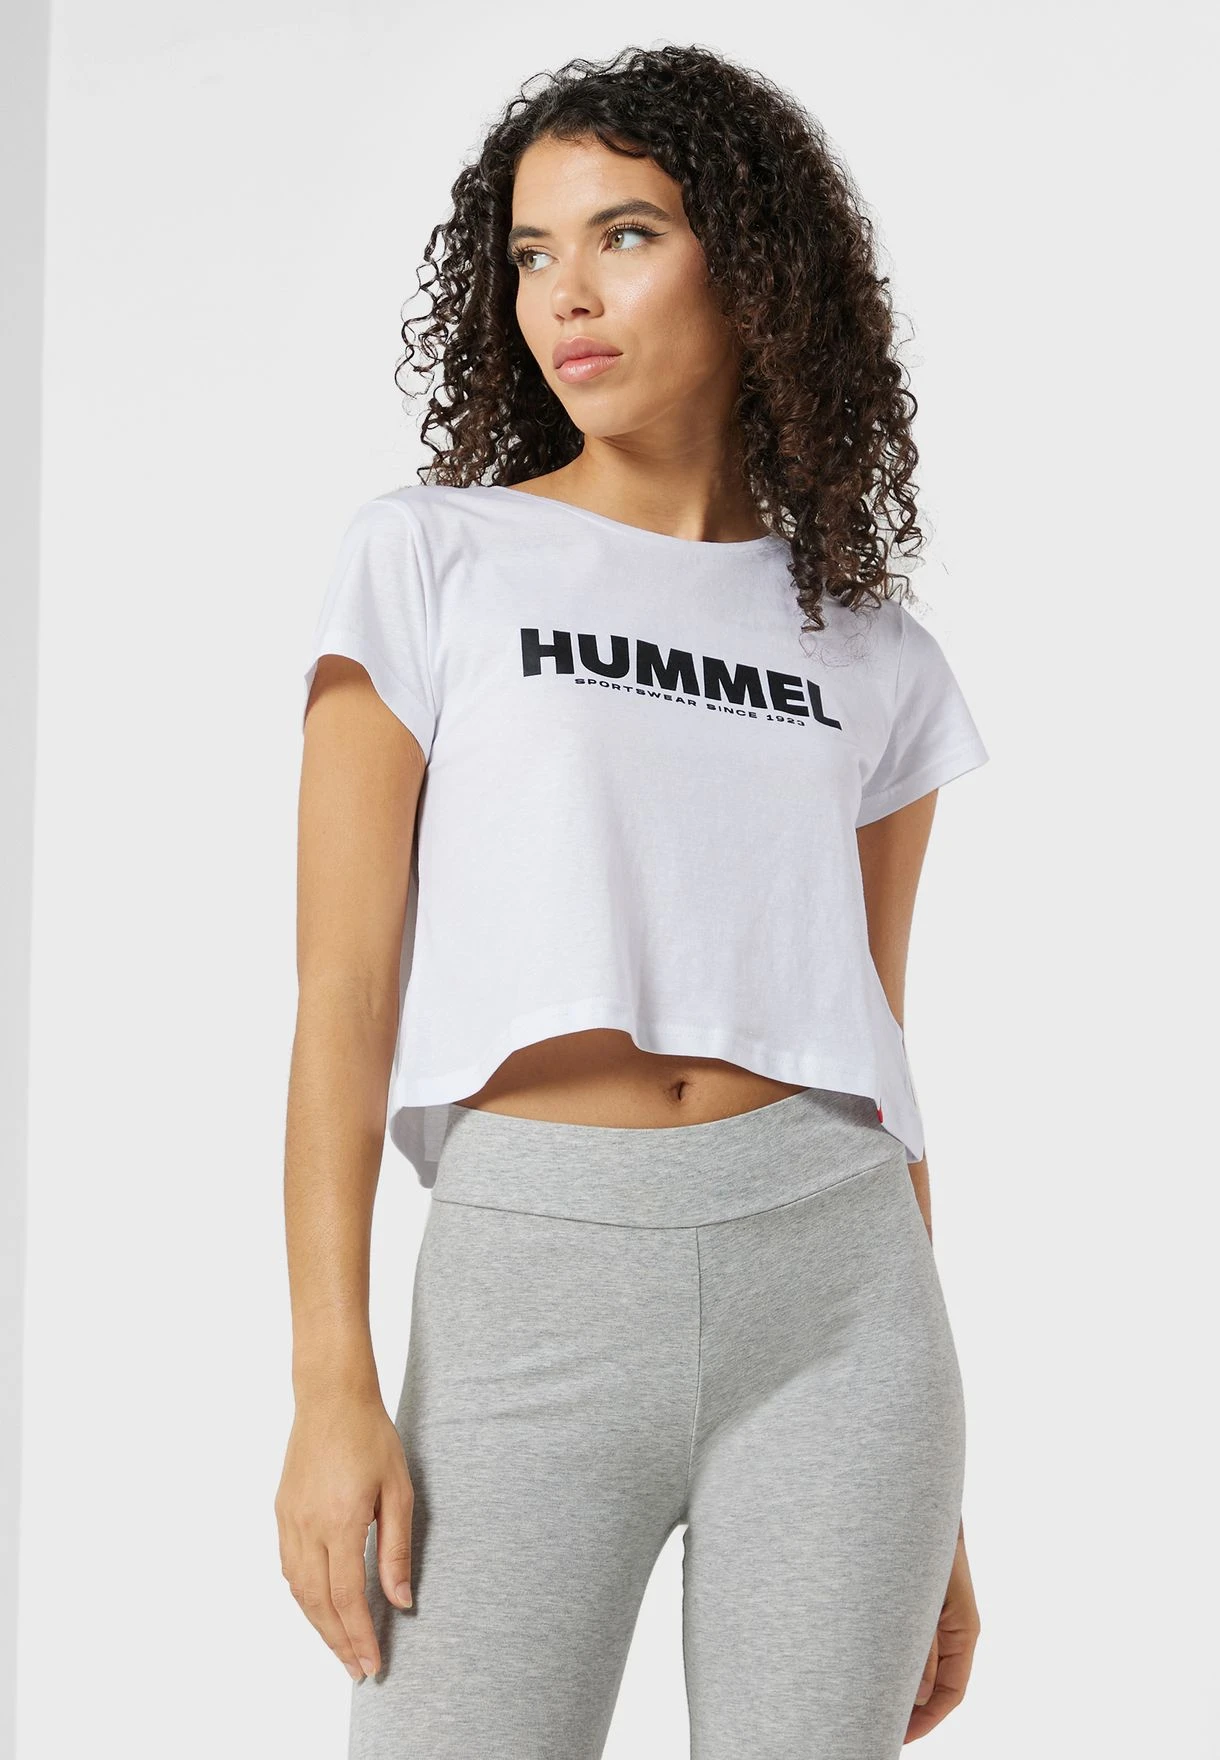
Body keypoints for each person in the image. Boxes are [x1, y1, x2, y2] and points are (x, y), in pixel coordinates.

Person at [277, 42, 989, 1760]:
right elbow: (343, 998)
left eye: (625, 235)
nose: (565, 296)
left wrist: (938, 1511)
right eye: (532, 253)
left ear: (752, 270)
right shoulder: (434, 561)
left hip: (839, 1304)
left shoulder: (874, 652)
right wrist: (329, 1383)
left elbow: (874, 1043)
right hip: (531, 1283)